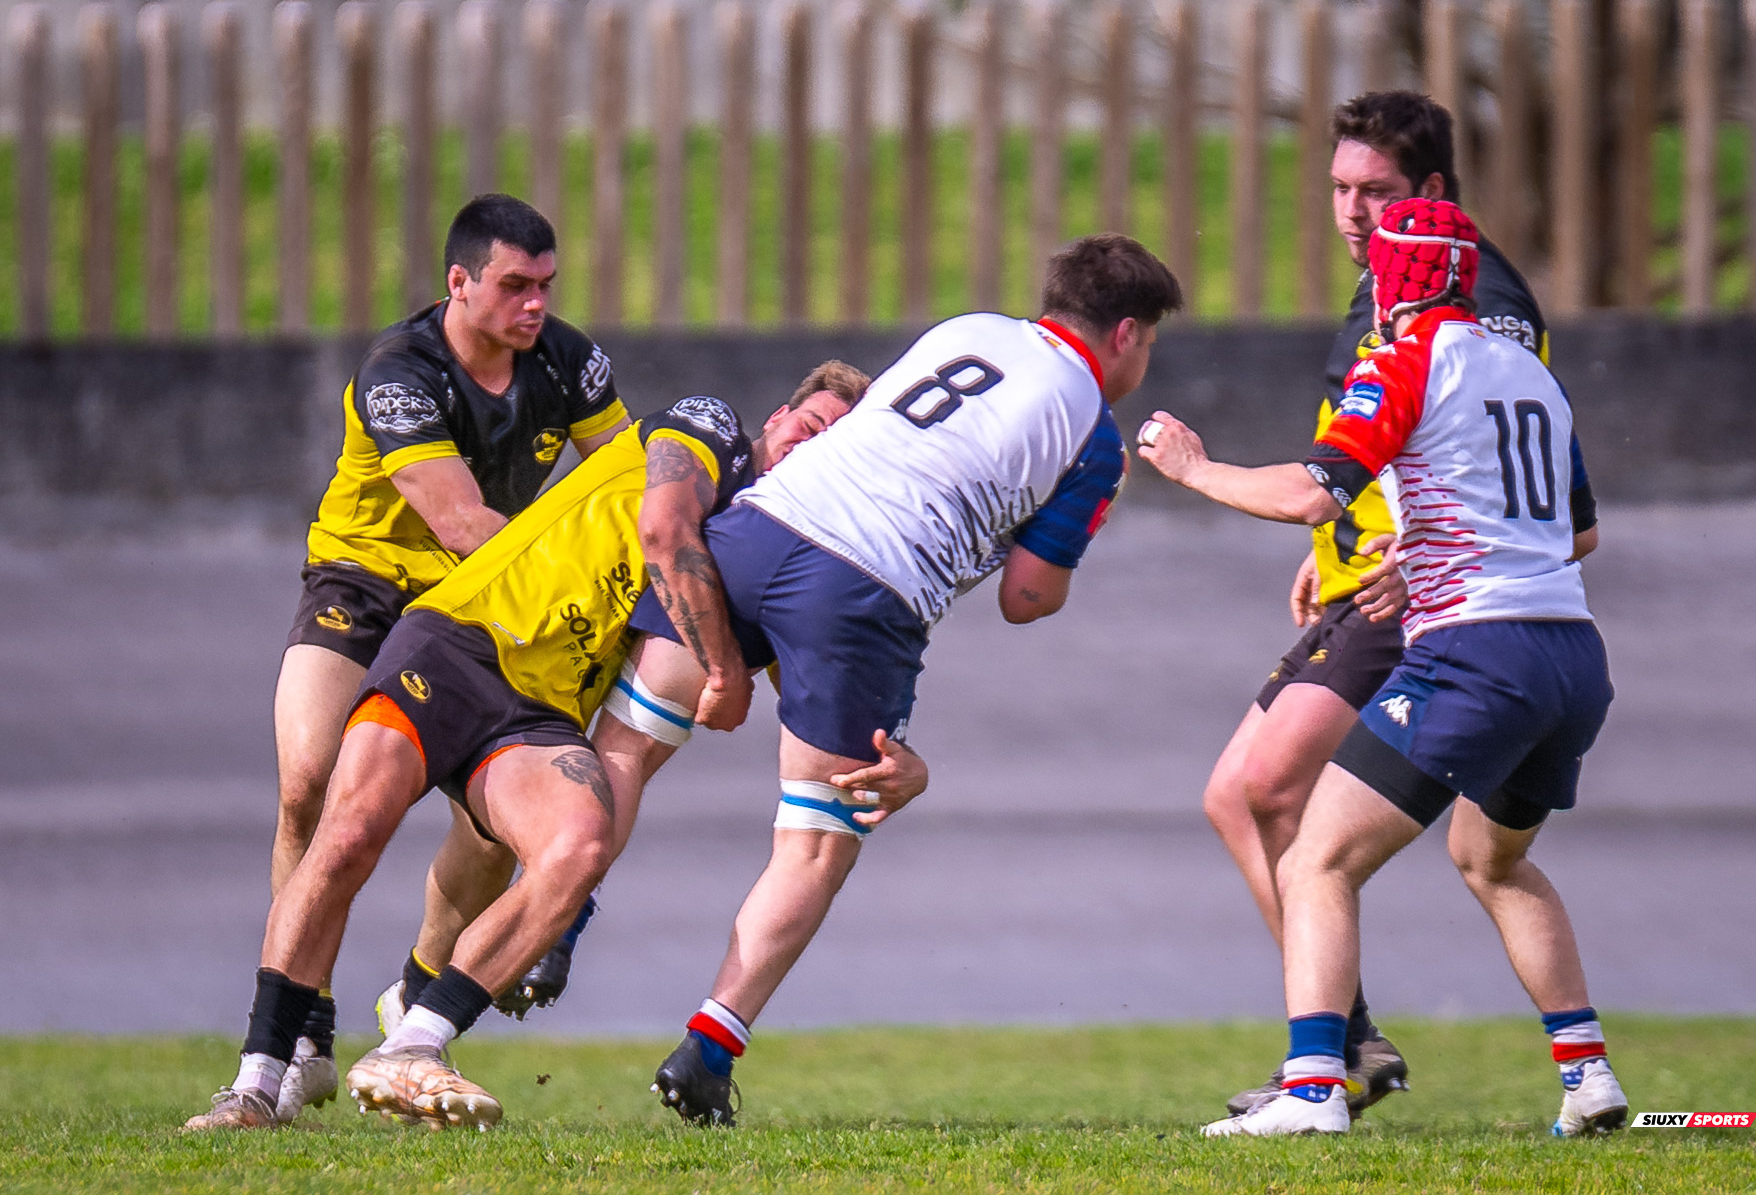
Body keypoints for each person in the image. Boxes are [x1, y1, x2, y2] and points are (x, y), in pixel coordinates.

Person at [181, 371, 860, 1132]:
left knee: (580, 845)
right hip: (462, 637)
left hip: (540, 713)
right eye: (815, 420)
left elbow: (815, 687)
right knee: (348, 833)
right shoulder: (712, 429)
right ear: (779, 414)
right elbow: (666, 527)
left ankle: (414, 1040)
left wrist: (890, 760)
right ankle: (255, 1082)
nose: (818, 441)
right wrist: (729, 669)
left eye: (839, 442)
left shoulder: (766, 555)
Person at [619, 233, 1183, 1126]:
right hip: (865, 586)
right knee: (816, 836)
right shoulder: (1093, 435)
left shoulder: (966, 330)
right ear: (1125, 334)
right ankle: (707, 1050)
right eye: (1151, 343)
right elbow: (1027, 597)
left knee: (631, 739)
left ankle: (551, 925)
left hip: (766, 525)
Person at [1140, 198, 1625, 1137]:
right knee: (1493, 859)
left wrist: (1194, 468)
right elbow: (1577, 531)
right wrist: (1426, 551)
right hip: (1572, 653)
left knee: (1317, 856)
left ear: (1394, 283)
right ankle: (1589, 1075)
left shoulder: (1400, 360)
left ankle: (1315, 1087)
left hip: (1476, 653)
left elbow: (1314, 496)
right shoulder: (1528, 370)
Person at [265, 194, 627, 1119]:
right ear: (459, 283)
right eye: (514, 285)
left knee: (497, 825)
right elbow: (463, 523)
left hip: (473, 606)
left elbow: (627, 483)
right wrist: (565, 586)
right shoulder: (400, 369)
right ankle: (304, 1026)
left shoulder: (572, 362)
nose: (536, 305)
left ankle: (419, 991)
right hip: (368, 582)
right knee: (312, 779)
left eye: (546, 285)